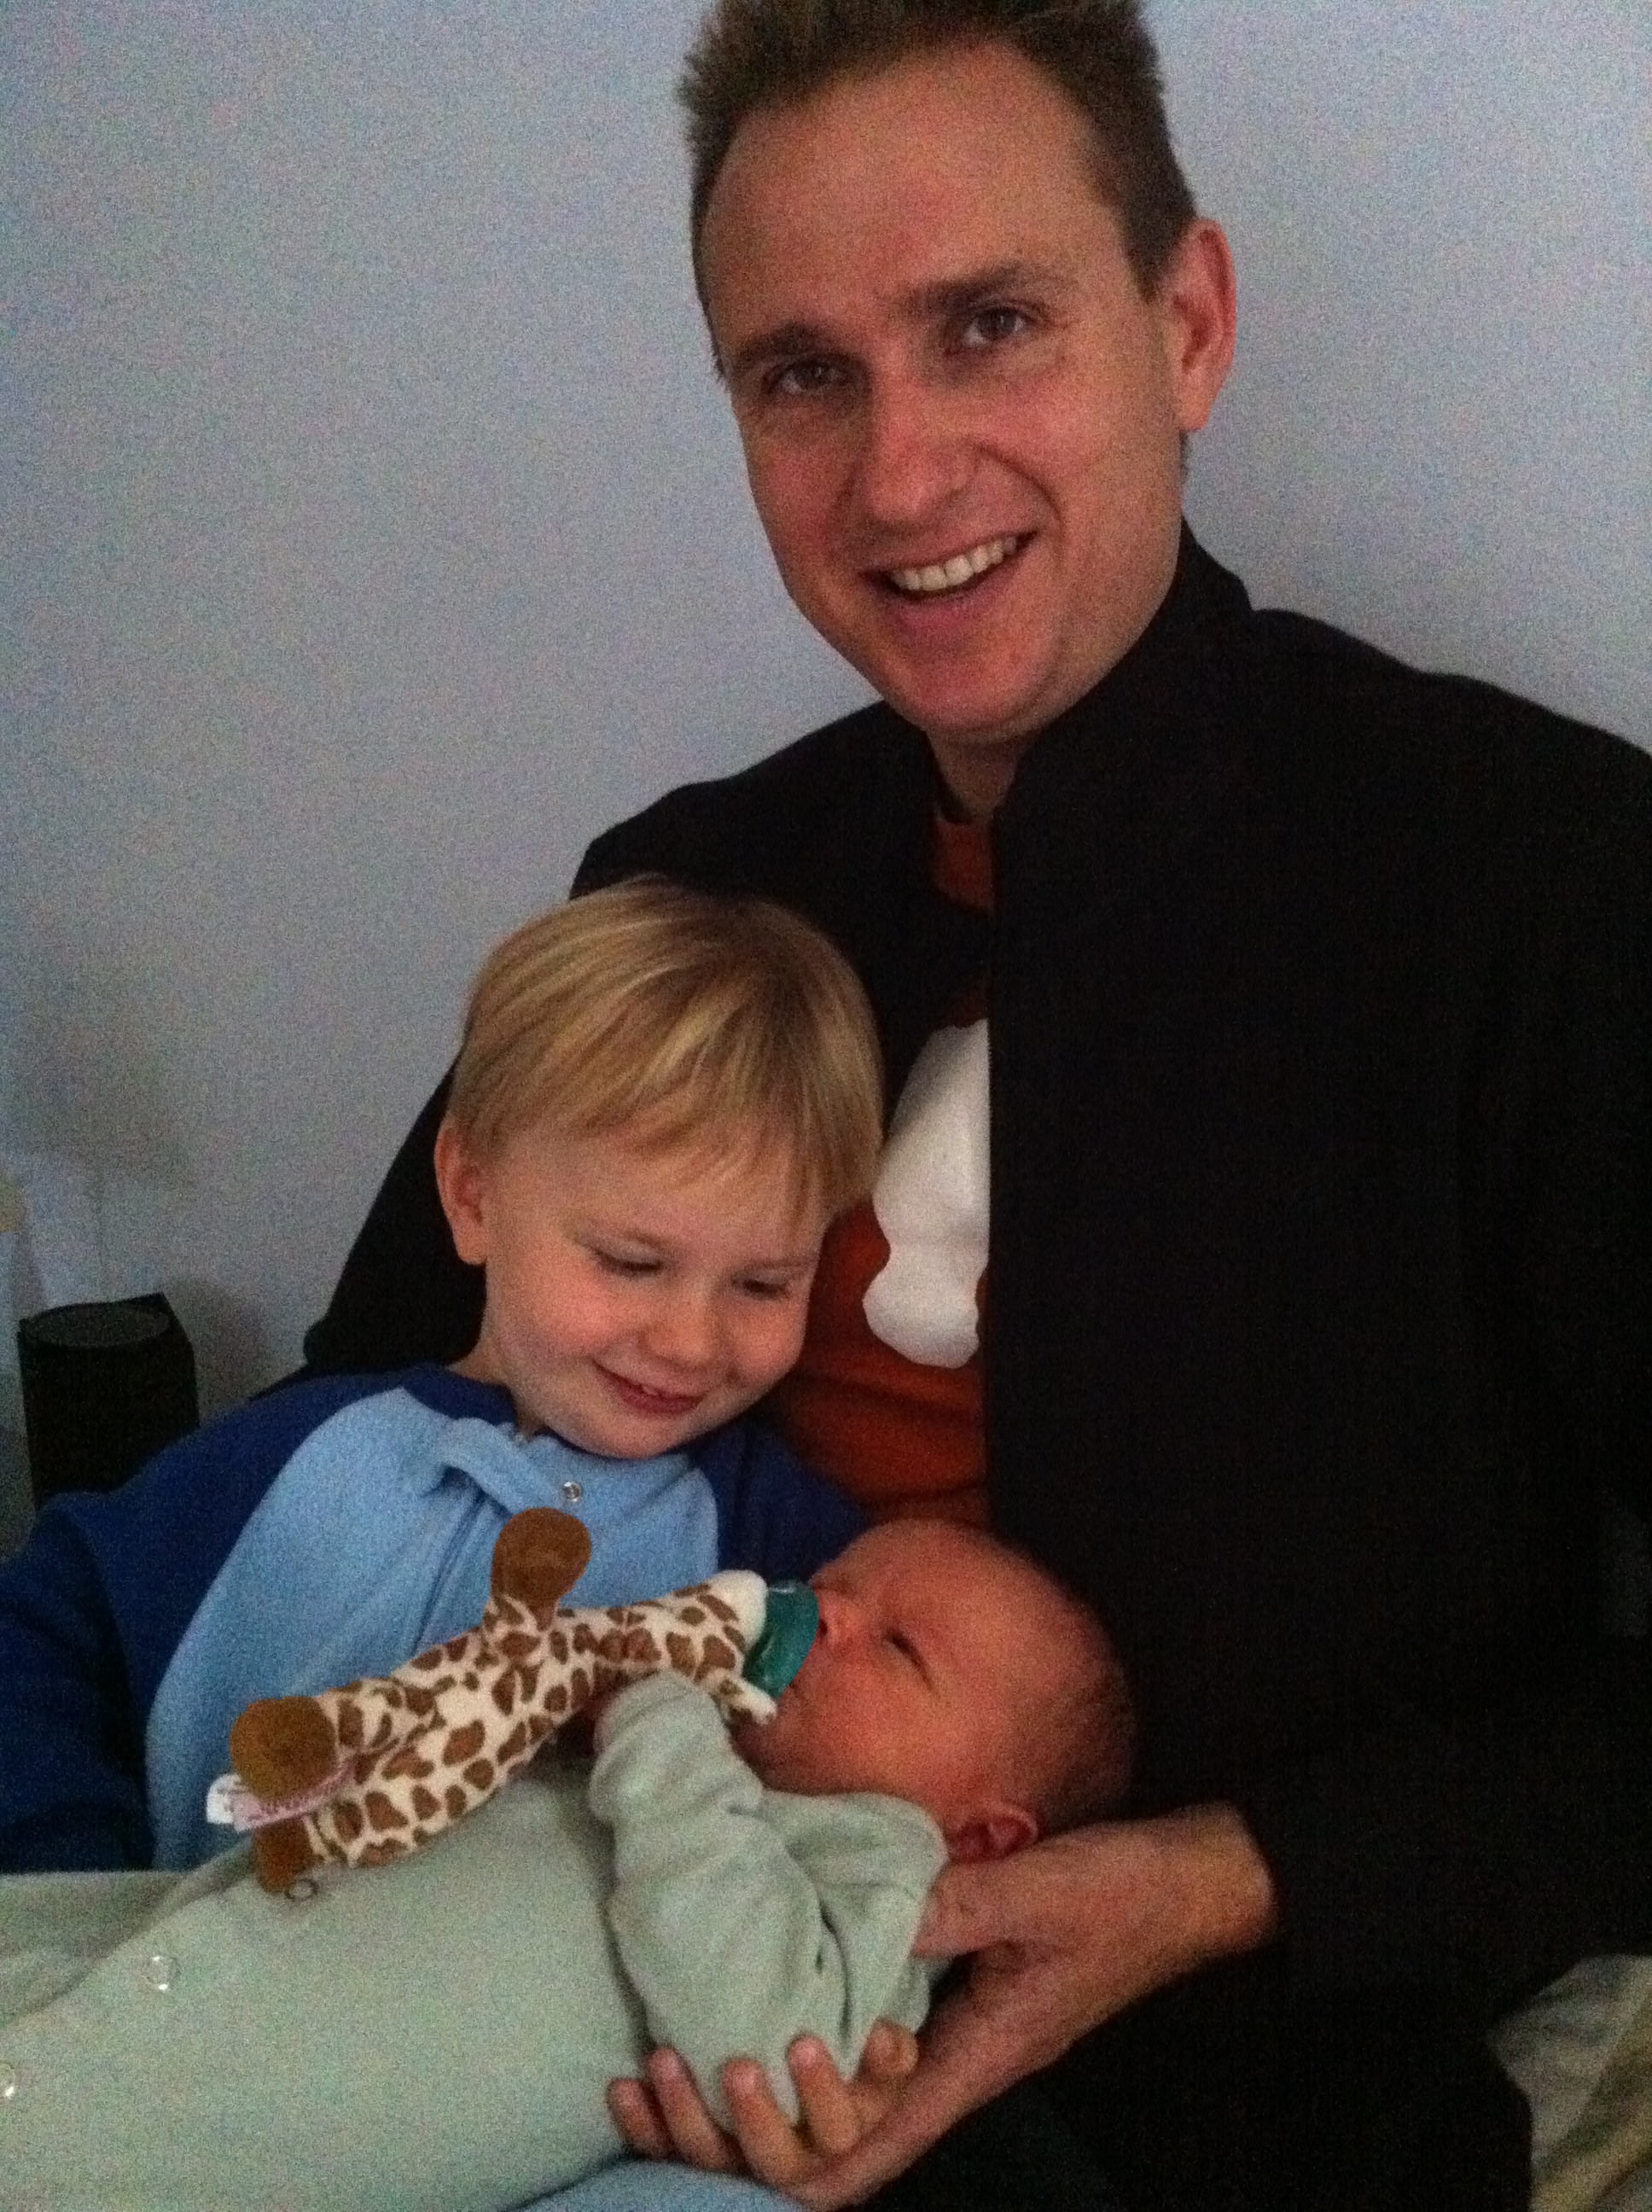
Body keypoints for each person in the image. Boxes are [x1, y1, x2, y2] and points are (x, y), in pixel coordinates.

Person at [219, 3, 1652, 2209]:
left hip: (1247, 2079)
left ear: (1186, 325)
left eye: (989, 326)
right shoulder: (688, 895)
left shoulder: (1543, 890)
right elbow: (366, 1421)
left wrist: (1219, 1878)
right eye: (804, 375)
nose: (898, 478)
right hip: (572, 1986)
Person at [0, 878, 882, 1876]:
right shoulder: (290, 1452)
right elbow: (42, 1626)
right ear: (472, 1197)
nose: (690, 1342)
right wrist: (73, 1882)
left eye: (764, 1284)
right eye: (631, 1263)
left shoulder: (792, 1549)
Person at [0, 1518, 1134, 2212]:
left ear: (983, 1835)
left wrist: (656, 1720)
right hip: (188, 1945)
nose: (825, 1613)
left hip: (244, 2122)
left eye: (898, 1647)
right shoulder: (695, 1749)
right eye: (834, 1579)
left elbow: (777, 2054)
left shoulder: (878, 1864)